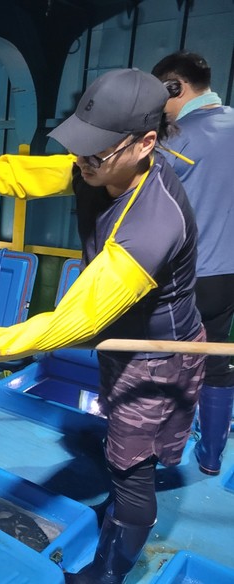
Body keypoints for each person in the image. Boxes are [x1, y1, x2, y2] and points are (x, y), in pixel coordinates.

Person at [0, 69, 205, 584]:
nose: (82, 159)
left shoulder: (154, 221)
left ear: (145, 143)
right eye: (80, 146)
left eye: (97, 151)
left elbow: (74, 321)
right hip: (122, 338)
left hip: (159, 354)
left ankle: (106, 574)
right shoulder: (97, 167)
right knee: (122, 447)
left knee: (132, 472)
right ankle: (121, 493)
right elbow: (22, 176)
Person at [151, 51, 234, 476]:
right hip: (229, 274)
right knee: (217, 359)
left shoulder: (176, 139)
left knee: (165, 361)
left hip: (191, 276)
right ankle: (212, 455)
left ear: (175, 87)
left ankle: (159, 452)